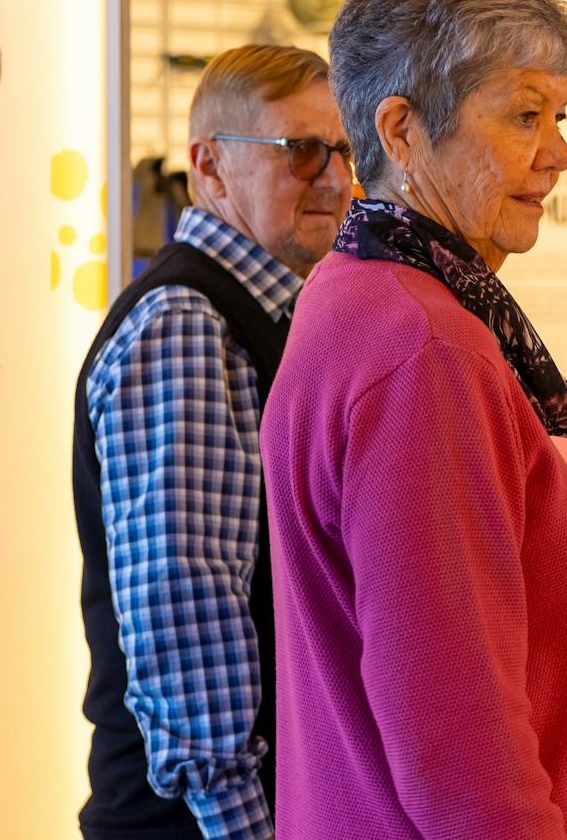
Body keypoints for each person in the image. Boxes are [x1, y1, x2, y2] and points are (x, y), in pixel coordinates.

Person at [261, 0, 567, 839]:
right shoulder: (424, 349)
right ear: (402, 131)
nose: (558, 154)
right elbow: (462, 752)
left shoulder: (355, 293)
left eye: (561, 115)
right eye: (524, 117)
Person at [73, 44, 354, 840]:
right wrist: (247, 828)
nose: (333, 178)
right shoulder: (187, 327)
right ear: (210, 167)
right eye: (301, 151)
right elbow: (186, 615)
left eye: (344, 150)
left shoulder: (266, 316)